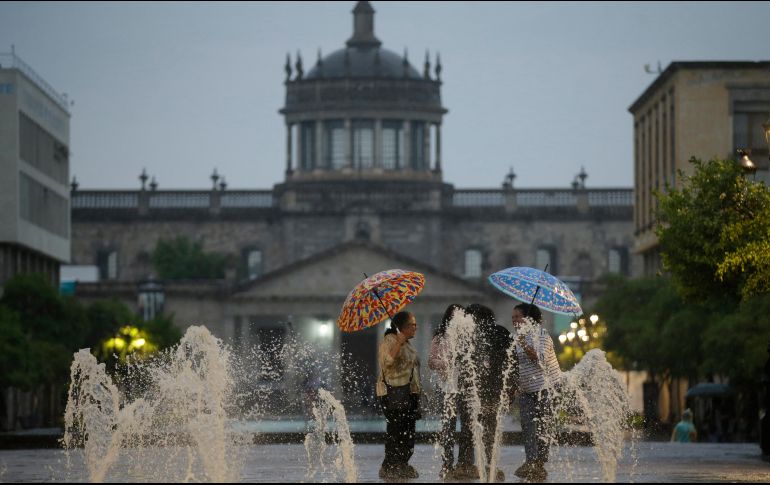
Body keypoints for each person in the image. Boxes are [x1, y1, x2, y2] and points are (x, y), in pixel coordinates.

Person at [464, 303, 515, 482]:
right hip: (492, 389)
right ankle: (486, 464)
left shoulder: (491, 334)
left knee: (482, 427)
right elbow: (512, 360)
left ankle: (486, 464)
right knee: (488, 427)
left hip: (487, 389)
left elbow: (510, 359)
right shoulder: (500, 332)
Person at [511, 303, 561, 482]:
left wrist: (523, 342)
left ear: (528, 318)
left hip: (546, 388)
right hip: (526, 389)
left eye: (518, 317)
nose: (514, 321)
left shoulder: (542, 335)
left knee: (542, 427)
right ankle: (531, 461)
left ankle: (539, 463)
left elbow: (538, 360)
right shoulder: (515, 338)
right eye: (513, 318)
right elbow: (514, 366)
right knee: (528, 426)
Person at [428, 304, 474, 479]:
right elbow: (431, 362)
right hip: (447, 389)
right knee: (448, 429)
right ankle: (447, 465)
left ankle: (465, 463)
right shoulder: (439, 338)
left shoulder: (468, 337)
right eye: (454, 316)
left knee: (468, 428)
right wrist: (446, 363)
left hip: (466, 389)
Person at [376, 311, 422, 479]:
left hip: (409, 393)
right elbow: (386, 362)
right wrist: (398, 342)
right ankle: (389, 465)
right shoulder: (390, 341)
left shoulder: (408, 344)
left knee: (408, 431)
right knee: (396, 430)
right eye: (412, 325)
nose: (416, 328)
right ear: (402, 327)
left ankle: (403, 462)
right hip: (393, 393)